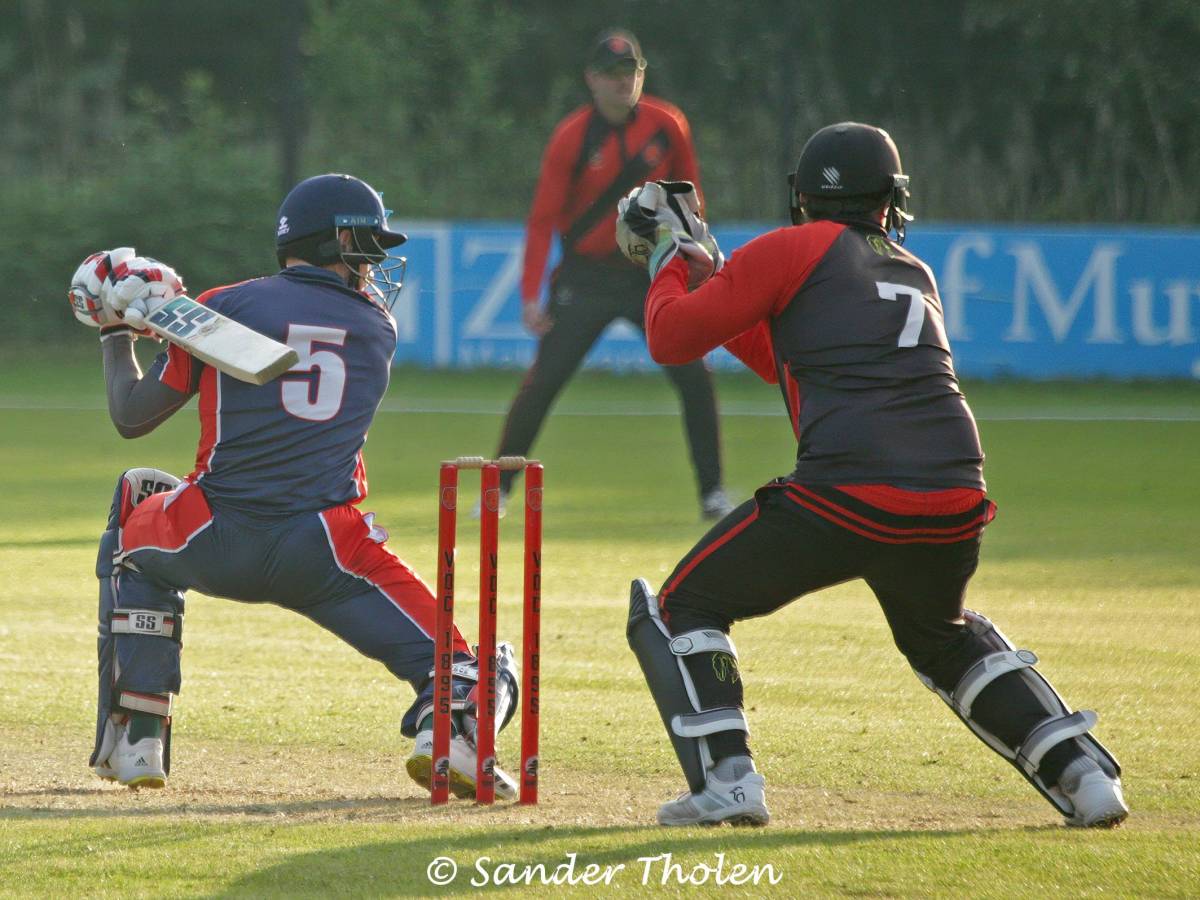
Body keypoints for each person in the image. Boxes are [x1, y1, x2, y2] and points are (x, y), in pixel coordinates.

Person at [621, 123, 1129, 828]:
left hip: (849, 491)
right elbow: (786, 362)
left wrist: (668, 261)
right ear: (890, 199)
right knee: (941, 636)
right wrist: (707, 269)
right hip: (956, 490)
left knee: (681, 605)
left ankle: (728, 781)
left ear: (800, 195)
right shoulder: (908, 267)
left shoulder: (791, 248)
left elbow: (671, 337)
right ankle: (1084, 775)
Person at [68, 174, 519, 797]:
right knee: (475, 668)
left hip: (212, 534)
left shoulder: (223, 307)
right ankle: (455, 737)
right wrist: (168, 320)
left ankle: (138, 733)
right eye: (369, 247)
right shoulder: (377, 328)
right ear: (340, 239)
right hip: (328, 548)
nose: (376, 262)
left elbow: (132, 415)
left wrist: (120, 330)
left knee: (138, 501)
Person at [491, 28, 733, 519]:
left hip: (651, 272)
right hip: (586, 277)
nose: (623, 82)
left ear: (642, 75)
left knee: (695, 376)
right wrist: (530, 294)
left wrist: (692, 252)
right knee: (544, 380)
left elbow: (693, 199)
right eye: (612, 74)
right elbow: (542, 220)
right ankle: (498, 490)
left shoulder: (669, 124)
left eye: (631, 72)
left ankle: (712, 493)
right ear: (591, 79)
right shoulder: (571, 137)